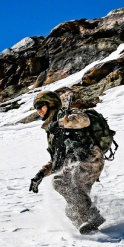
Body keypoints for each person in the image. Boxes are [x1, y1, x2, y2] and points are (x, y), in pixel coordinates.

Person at [29, 91, 106, 234]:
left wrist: (60, 123)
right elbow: (58, 159)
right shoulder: (51, 132)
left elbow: (84, 120)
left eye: (41, 105)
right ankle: (91, 231)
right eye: (36, 108)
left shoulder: (64, 114)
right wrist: (41, 173)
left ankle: (93, 217)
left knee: (60, 181)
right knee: (72, 211)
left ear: (51, 103)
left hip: (90, 157)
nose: (39, 110)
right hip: (75, 164)